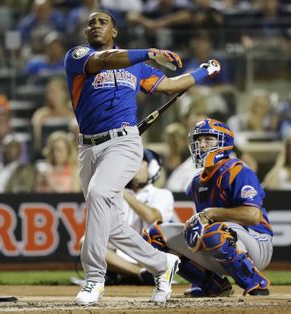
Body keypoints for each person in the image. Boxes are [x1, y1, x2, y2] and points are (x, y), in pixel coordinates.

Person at [64, 10, 221, 305]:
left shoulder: (137, 67)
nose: (95, 26)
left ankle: (94, 279)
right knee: (111, 225)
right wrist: (149, 52)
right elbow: (107, 60)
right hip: (88, 148)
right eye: (91, 23)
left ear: (115, 32)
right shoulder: (79, 55)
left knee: (99, 193)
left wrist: (204, 71)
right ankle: (162, 265)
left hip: (123, 144)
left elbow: (172, 86)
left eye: (103, 22)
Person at [143, 118, 273, 297]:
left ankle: (254, 281)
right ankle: (212, 285)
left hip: (257, 242)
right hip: (222, 240)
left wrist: (210, 214)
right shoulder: (197, 182)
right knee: (154, 236)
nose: (201, 145)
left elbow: (253, 215)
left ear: (224, 143)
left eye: (208, 139)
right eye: (198, 140)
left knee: (214, 232)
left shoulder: (239, 171)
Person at [104, 149, 174, 284]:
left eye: (140, 161)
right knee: (88, 243)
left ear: (153, 168)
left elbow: (152, 217)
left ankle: (127, 273)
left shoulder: (162, 194)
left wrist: (123, 193)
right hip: (122, 255)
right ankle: (141, 274)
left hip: (152, 254)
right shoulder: (116, 195)